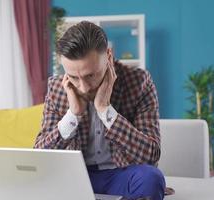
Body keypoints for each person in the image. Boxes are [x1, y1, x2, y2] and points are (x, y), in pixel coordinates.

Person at [34, 21, 165, 200]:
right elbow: (39, 156)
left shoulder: (139, 82)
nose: (84, 87)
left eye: (91, 75)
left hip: (120, 174)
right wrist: (72, 116)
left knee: (151, 179)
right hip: (74, 176)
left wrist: (105, 110)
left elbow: (150, 156)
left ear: (109, 56)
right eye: (73, 77)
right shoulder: (57, 88)